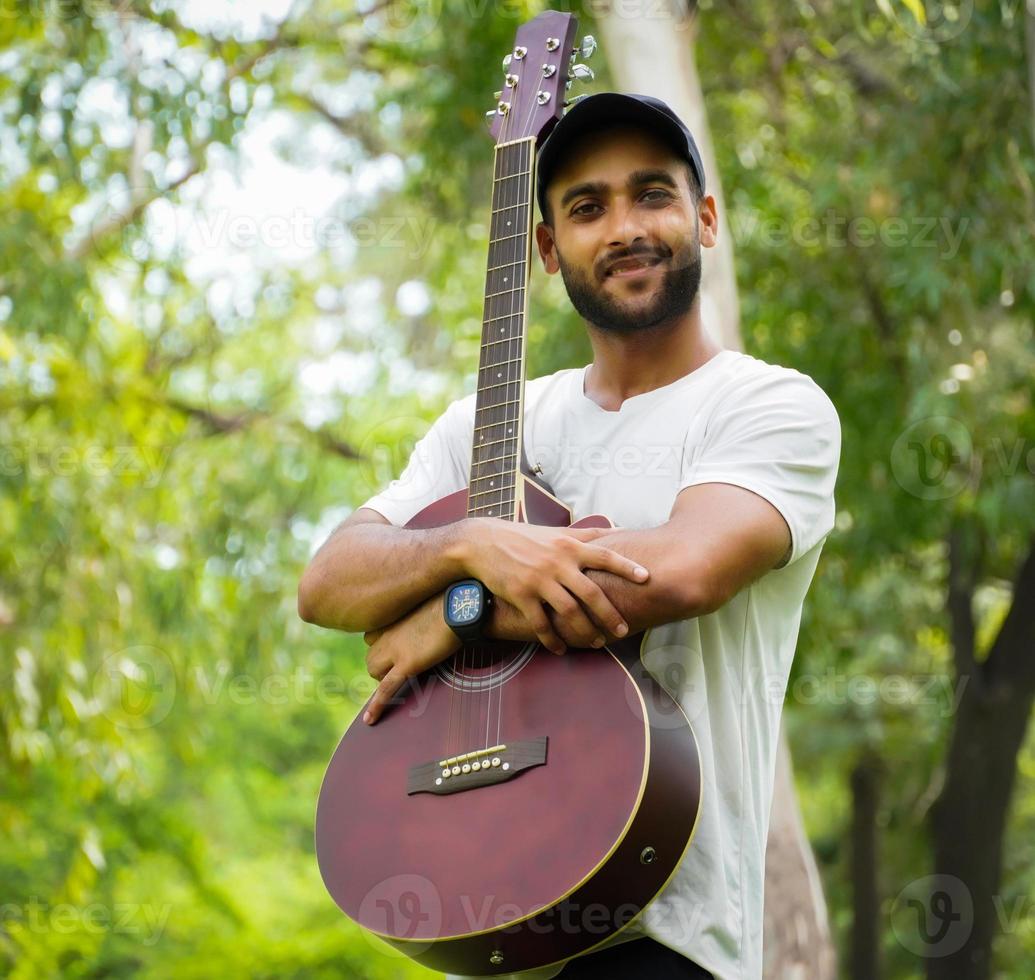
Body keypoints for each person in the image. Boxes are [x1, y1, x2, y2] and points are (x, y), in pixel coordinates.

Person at [298, 93, 841, 980]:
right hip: (482, 907)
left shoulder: (768, 406)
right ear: (547, 249)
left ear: (704, 217)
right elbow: (329, 581)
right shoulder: (489, 421)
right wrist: (467, 546)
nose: (623, 227)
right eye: (586, 208)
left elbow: (677, 572)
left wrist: (452, 617)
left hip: (668, 929)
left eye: (651, 195)